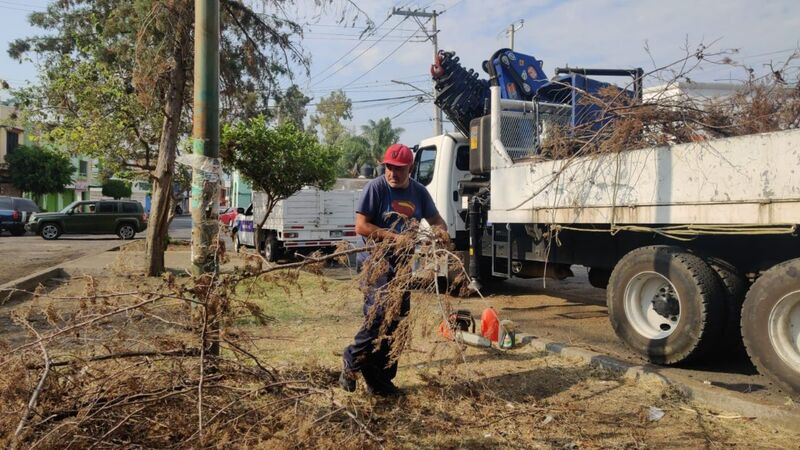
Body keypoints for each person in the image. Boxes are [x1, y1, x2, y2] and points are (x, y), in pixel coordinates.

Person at [340, 143, 447, 395]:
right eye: (389, 167)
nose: (392, 173)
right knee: (378, 317)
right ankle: (351, 360)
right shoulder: (375, 188)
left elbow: (436, 220)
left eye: (399, 169)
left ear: (410, 167)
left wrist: (441, 232)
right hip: (376, 263)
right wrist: (393, 237)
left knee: (396, 322)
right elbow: (361, 226)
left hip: (402, 265)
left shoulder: (419, 192)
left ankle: (381, 380)